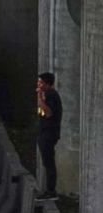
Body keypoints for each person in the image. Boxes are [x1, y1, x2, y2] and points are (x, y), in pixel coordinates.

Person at [36, 72, 63, 201]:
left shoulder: (52, 95)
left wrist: (41, 100)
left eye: (41, 83)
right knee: (47, 162)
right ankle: (49, 190)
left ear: (47, 84)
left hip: (49, 134)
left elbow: (48, 113)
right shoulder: (47, 95)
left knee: (49, 163)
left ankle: (51, 191)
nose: (38, 85)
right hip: (44, 133)